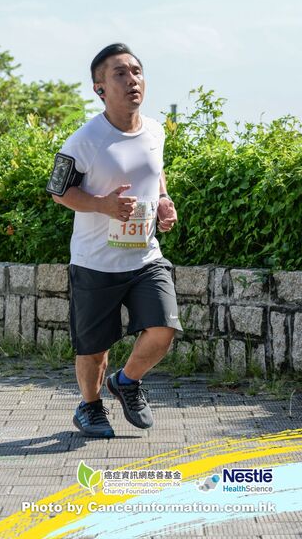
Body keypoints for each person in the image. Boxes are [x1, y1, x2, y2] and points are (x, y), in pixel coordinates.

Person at [46, 43, 183, 438]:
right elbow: (58, 191)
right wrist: (102, 206)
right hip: (95, 262)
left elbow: (155, 171)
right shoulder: (84, 140)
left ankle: (126, 381)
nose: (131, 80)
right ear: (100, 88)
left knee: (164, 329)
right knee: (94, 349)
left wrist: (163, 199)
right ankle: (89, 407)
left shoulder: (154, 130)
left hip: (145, 258)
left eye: (136, 71)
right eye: (120, 74)